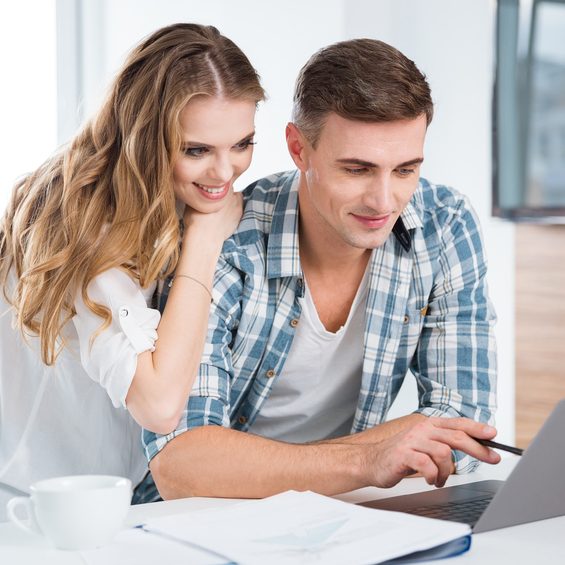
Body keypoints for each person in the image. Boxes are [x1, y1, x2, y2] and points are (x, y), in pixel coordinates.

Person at [145, 37, 500, 500]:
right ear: (298, 148)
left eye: (406, 170)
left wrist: (288, 469)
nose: (384, 200)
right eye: (357, 170)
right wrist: (368, 460)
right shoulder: (222, 240)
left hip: (349, 512)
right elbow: (181, 464)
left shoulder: (444, 223)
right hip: (210, 523)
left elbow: (464, 421)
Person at [0, 22, 265, 518]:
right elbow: (160, 405)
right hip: (30, 509)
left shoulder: (161, 201)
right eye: (196, 150)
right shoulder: (82, 221)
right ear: (144, 136)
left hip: (108, 504)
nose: (225, 173)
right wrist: (205, 241)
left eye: (242, 144)